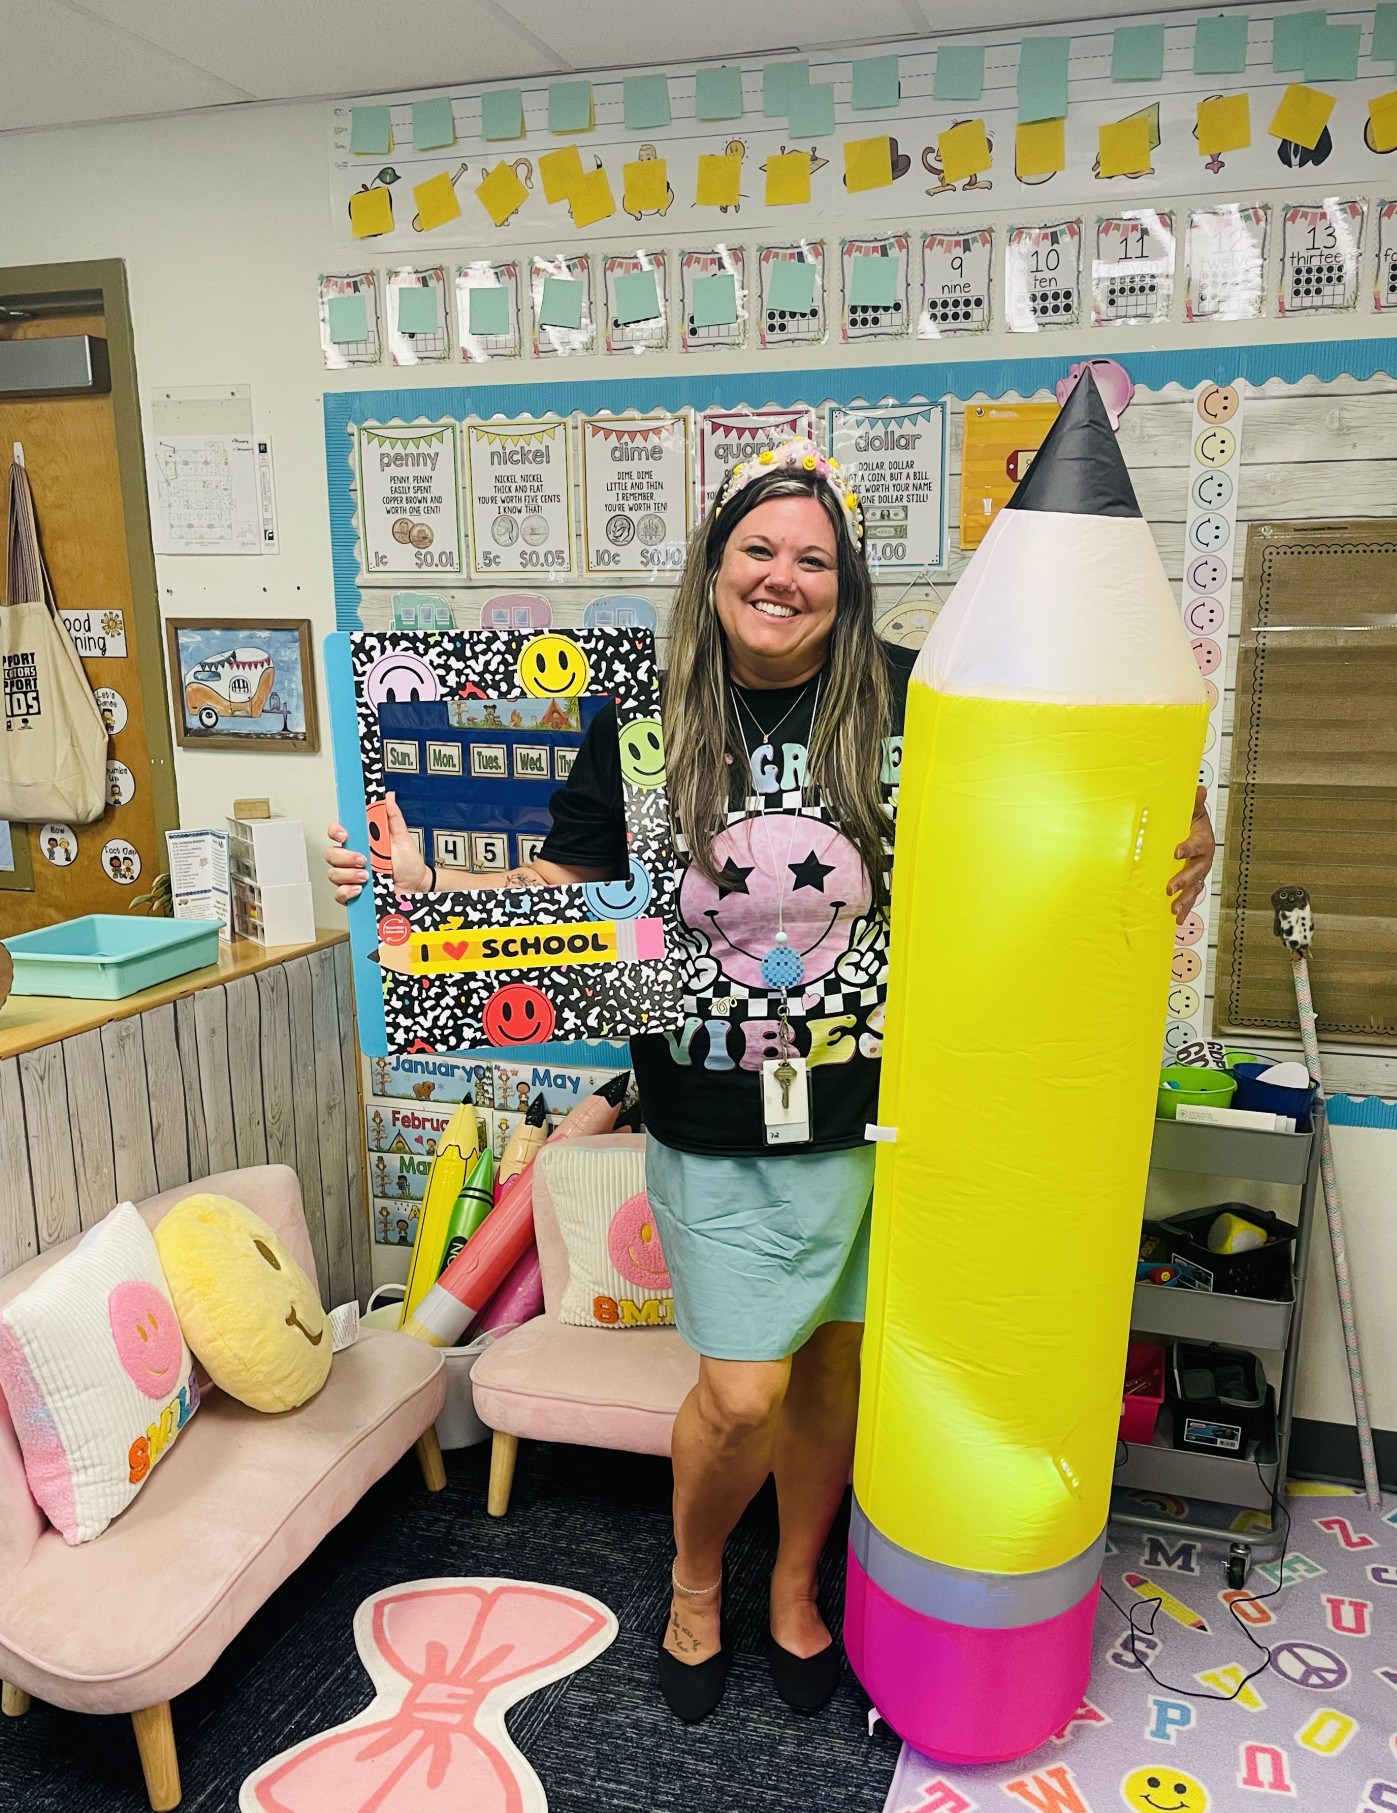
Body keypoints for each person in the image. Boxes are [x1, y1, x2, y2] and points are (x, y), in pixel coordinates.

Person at [327, 438, 1215, 1726]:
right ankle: (696, 1581)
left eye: (815, 558)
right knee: (742, 1391)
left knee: (833, 1376)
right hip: (709, 1109)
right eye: (759, 548)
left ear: (847, 586)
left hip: (881, 1112)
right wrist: (426, 894)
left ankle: (797, 1585)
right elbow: (575, 895)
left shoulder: (916, 700)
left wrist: (1173, 816)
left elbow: (1052, 799)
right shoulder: (642, 717)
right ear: (715, 564)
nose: (783, 577)